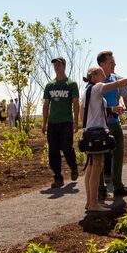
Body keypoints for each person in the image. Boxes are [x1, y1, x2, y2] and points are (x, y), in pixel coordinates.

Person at [81, 66, 127, 212]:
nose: (104, 76)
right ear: (94, 75)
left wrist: (112, 110)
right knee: (97, 167)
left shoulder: (88, 90)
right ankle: (94, 204)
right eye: (101, 74)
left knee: (90, 168)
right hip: (97, 134)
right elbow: (119, 84)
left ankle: (90, 202)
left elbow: (90, 111)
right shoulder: (98, 87)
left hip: (89, 132)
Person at [94, 49, 127, 199]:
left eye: (114, 62)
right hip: (101, 125)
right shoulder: (96, 81)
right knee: (99, 156)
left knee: (118, 154)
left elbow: (125, 96)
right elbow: (93, 104)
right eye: (111, 62)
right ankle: (101, 190)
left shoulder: (117, 78)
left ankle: (118, 186)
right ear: (102, 64)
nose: (114, 64)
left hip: (115, 123)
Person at [41, 57, 80, 189]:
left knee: (67, 148)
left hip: (66, 122)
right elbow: (46, 105)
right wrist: (44, 123)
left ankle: (73, 167)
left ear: (64, 66)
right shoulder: (50, 85)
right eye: (55, 65)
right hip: (53, 123)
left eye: (59, 65)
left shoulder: (71, 84)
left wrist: (76, 122)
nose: (57, 67)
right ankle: (58, 177)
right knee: (53, 151)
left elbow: (75, 103)